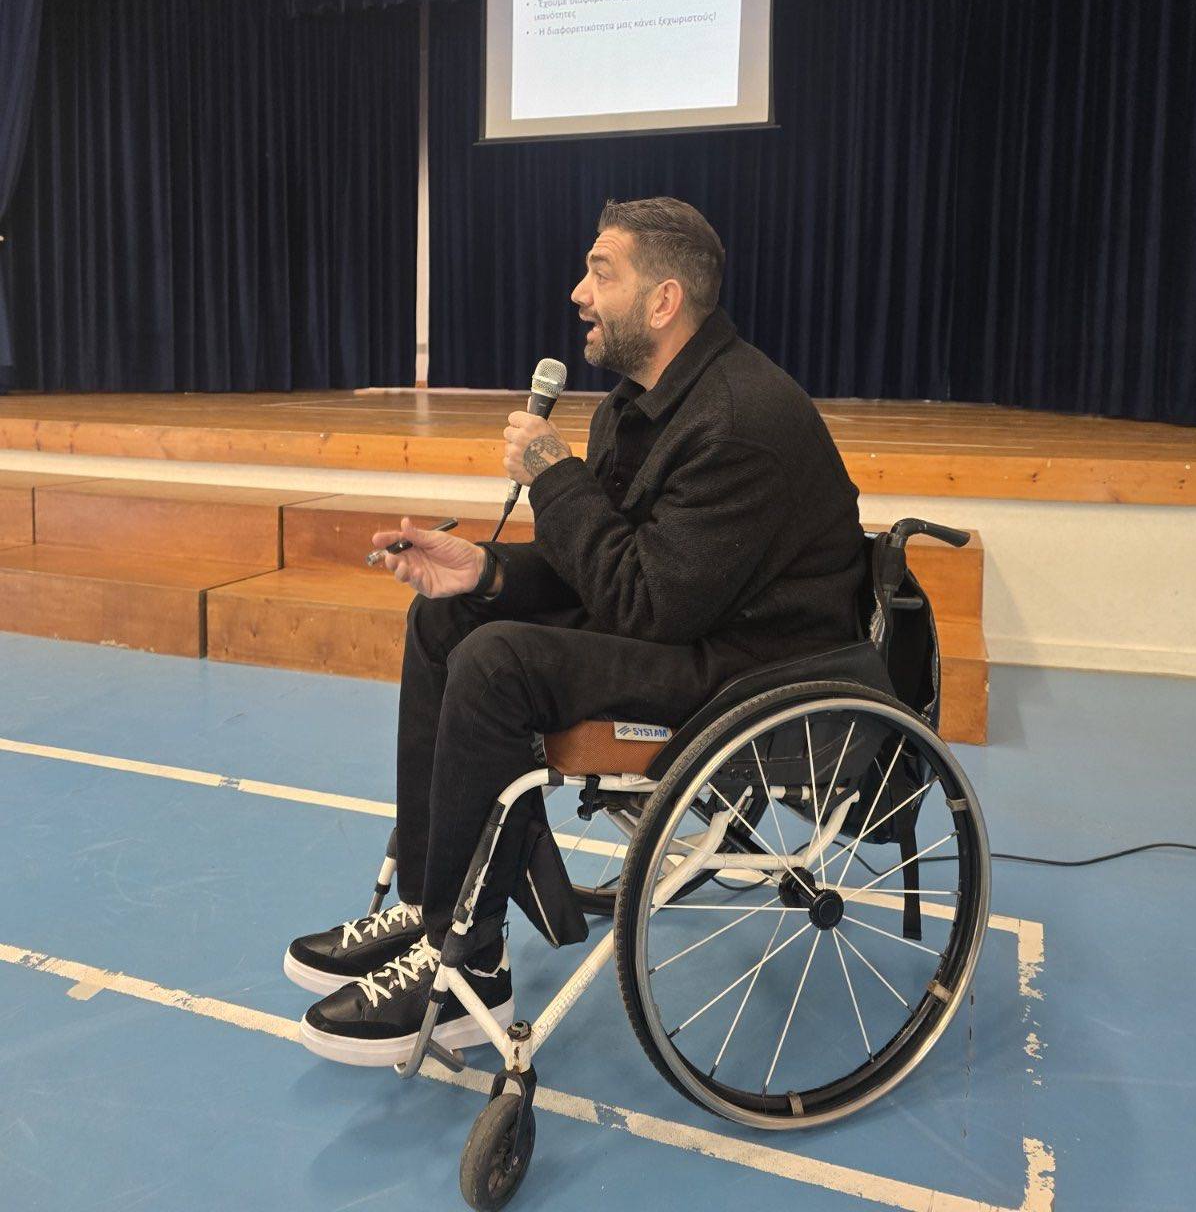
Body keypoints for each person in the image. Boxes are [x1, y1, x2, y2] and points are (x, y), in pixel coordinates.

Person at [286, 197, 866, 1066]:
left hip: (755, 669)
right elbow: (603, 565)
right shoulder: (640, 405)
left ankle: (467, 969)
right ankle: (430, 903)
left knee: (498, 663)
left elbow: (645, 604)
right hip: (688, 626)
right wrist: (486, 573)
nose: (578, 293)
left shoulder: (740, 421)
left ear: (663, 301)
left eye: (601, 272)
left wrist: (556, 475)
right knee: (447, 616)